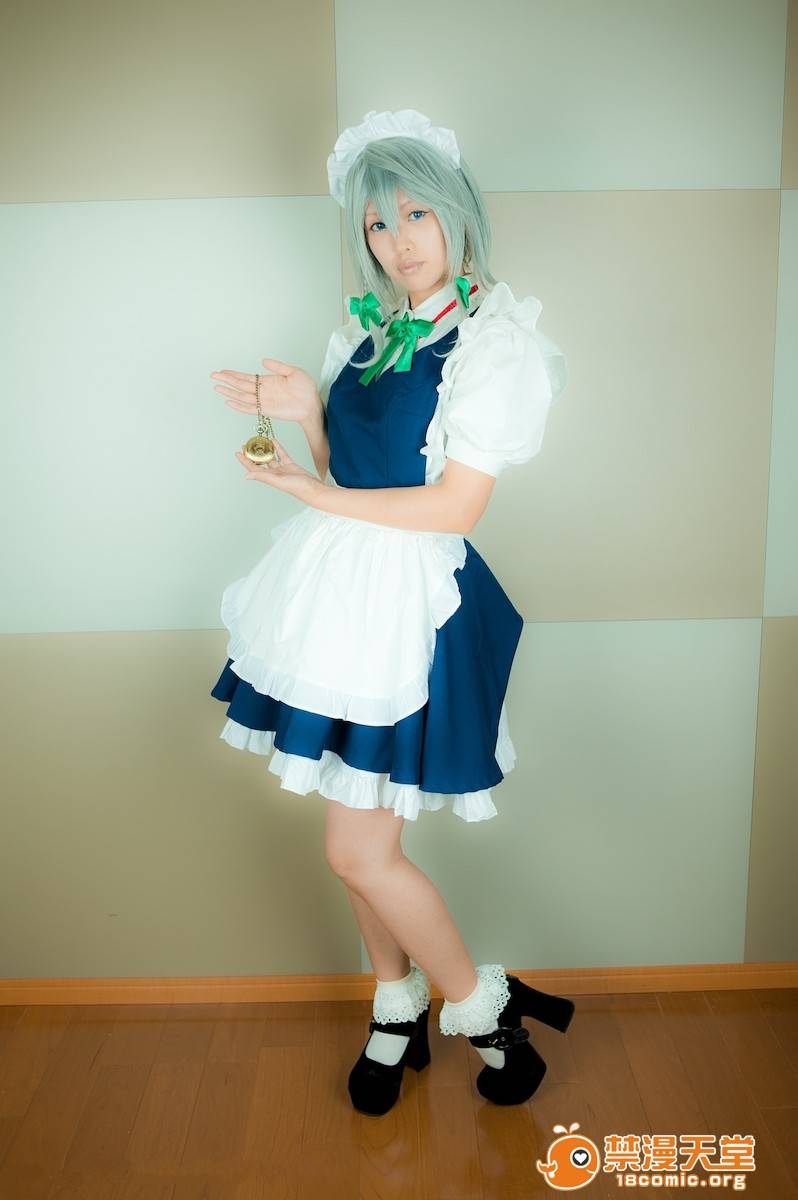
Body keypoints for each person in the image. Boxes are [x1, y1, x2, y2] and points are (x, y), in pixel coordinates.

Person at [209, 108, 575, 1115]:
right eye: (378, 222)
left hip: (411, 611)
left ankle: (485, 1011)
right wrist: (308, 414)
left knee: (354, 849)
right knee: (356, 831)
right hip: (338, 600)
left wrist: (308, 491)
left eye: (417, 213)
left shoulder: (493, 345)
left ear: (457, 213)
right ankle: (394, 1004)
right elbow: (353, 474)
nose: (399, 239)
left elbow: (454, 506)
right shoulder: (370, 332)